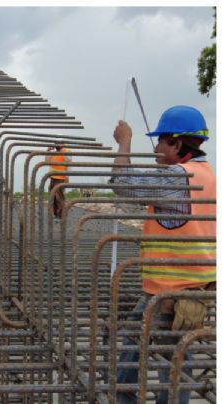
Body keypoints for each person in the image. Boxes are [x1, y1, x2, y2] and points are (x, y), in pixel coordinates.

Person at [110, 105, 215, 404]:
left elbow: (122, 185)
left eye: (160, 141)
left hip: (172, 292)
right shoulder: (205, 174)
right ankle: (122, 396)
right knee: (163, 356)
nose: (155, 147)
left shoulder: (179, 178)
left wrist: (124, 142)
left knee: (169, 363)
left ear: (178, 144)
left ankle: (123, 397)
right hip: (189, 287)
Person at [44, 145, 70, 219]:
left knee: (59, 196)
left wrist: (67, 177)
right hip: (52, 177)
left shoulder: (66, 151)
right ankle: (55, 213)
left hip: (60, 178)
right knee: (53, 196)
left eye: (59, 143)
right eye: (56, 143)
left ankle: (61, 214)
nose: (57, 145)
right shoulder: (54, 153)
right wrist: (48, 151)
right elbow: (47, 161)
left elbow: (68, 160)